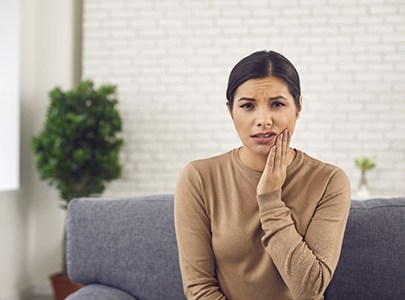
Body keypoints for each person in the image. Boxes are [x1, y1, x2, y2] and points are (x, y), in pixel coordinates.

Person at [174, 50, 351, 300]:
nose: (263, 120)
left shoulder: (330, 181)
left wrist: (269, 199)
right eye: (247, 106)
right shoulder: (199, 178)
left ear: (298, 107)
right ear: (230, 111)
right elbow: (199, 289)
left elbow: (310, 288)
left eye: (277, 104)